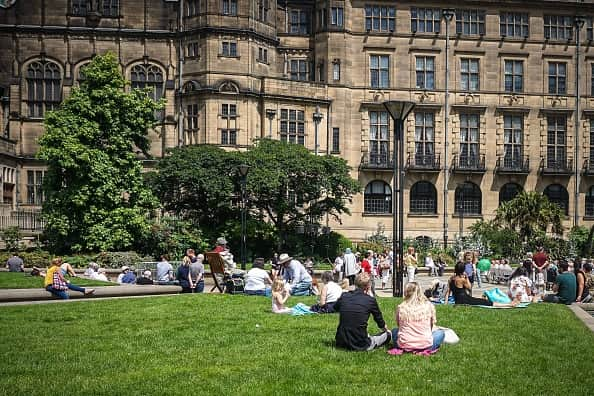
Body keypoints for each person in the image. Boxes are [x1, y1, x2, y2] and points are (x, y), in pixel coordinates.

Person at [334, 273, 391, 351]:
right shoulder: (370, 300)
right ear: (368, 286)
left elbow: (335, 307)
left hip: (341, 341)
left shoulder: (344, 296)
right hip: (360, 344)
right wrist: (386, 330)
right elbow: (380, 322)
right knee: (388, 334)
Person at [391, 282, 445, 351]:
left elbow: (399, 325)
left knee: (394, 331)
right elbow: (431, 326)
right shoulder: (429, 306)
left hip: (404, 345)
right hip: (425, 345)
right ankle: (422, 346)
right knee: (440, 333)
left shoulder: (401, 307)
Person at [445, 262, 516, 307]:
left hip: (458, 300)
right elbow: (469, 288)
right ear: (463, 270)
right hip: (465, 300)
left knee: (480, 300)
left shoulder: (451, 279)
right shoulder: (462, 279)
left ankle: (508, 304)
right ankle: (509, 304)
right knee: (486, 302)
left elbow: (448, 292)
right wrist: (466, 278)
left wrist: (446, 303)